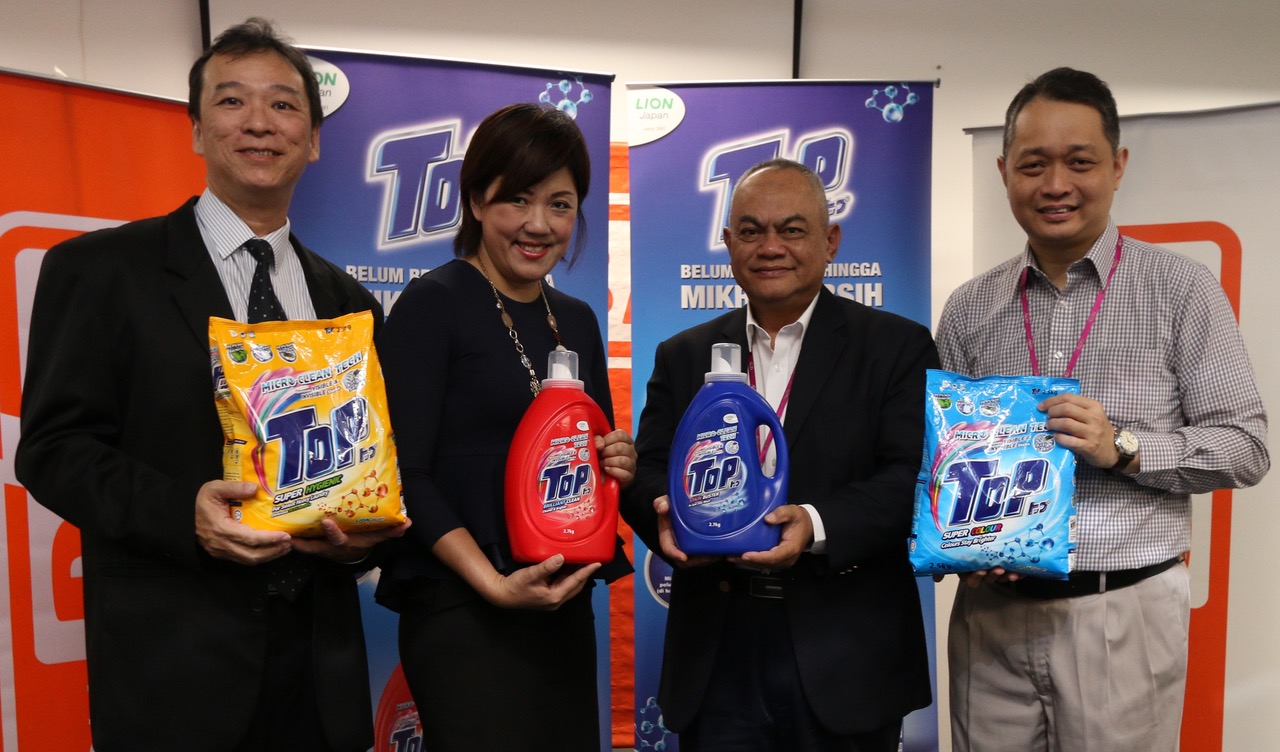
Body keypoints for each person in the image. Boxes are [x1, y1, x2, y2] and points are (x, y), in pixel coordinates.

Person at [15, 18, 408, 752]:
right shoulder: (101, 272)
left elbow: (367, 467)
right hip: (174, 674)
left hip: (319, 678)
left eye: (285, 105)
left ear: (315, 139)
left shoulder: (350, 301)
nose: (260, 122)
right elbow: (52, 450)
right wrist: (183, 513)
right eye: (232, 102)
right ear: (196, 129)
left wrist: (355, 542)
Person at [936, 67, 1269, 751]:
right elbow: (942, 458)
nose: (1056, 184)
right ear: (1004, 172)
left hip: (1120, 611)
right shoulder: (970, 307)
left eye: (1079, 162)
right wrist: (961, 534)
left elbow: (1246, 447)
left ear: (1117, 167)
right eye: (1034, 164)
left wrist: (1124, 445)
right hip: (990, 616)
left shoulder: (1181, 291)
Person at [621, 159, 937, 751]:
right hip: (718, 651)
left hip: (845, 655)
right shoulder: (683, 354)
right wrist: (664, 516)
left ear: (830, 241)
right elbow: (647, 469)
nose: (770, 247)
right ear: (728, 243)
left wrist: (816, 525)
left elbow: (913, 480)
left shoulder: (896, 346)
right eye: (750, 230)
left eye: (792, 229)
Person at [373, 102, 635, 751]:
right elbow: (406, 472)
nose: (538, 224)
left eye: (560, 203)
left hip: (560, 605)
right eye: (517, 199)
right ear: (477, 201)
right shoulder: (433, 304)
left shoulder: (574, 319)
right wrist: (491, 583)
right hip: (463, 608)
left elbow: (585, 449)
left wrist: (614, 462)